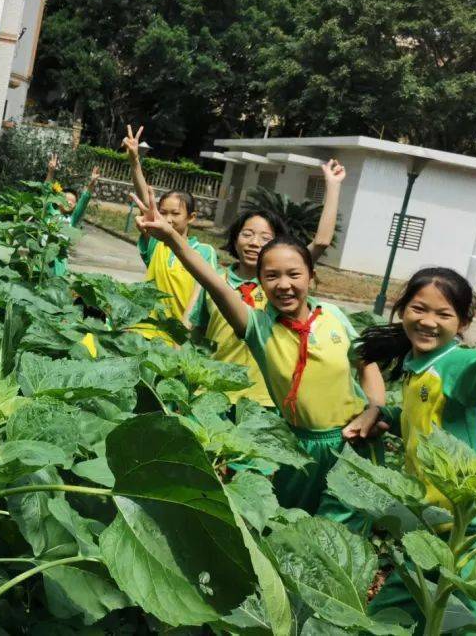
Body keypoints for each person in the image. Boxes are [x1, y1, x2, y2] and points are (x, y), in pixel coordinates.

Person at [132, 186, 385, 519]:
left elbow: (368, 363)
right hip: (294, 440)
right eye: (271, 277)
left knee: (343, 528)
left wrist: (376, 408)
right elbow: (213, 282)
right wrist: (171, 238)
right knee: (288, 520)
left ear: (312, 275)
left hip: (352, 441)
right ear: (261, 285)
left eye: (294, 274)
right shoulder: (259, 327)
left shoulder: (333, 316)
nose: (283, 284)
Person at [357, 268, 476, 631]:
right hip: (434, 528)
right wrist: (385, 416)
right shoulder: (418, 366)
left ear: (463, 322)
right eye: (419, 309)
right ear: (401, 309)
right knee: (382, 620)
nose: (428, 322)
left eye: (443, 314)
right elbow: (429, 419)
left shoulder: (456, 365)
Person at [189, 156, 347, 404]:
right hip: (212, 394)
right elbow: (195, 335)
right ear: (235, 238)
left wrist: (333, 186)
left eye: (265, 237)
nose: (254, 243)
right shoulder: (216, 283)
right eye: (247, 234)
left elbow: (321, 242)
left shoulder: (280, 287)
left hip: (267, 400)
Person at [123, 125, 218, 340]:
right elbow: (145, 202)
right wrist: (134, 161)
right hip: (142, 334)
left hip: (179, 339)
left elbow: (205, 291)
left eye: (175, 213)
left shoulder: (205, 252)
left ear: (191, 218)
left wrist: (184, 332)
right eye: (163, 212)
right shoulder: (155, 242)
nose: (167, 219)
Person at [45, 153, 99, 276]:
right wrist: (50, 172)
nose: (69, 202)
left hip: (59, 258)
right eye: (66, 199)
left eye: (73, 201)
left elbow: (84, 200)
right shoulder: (49, 211)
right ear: (58, 200)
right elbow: (46, 191)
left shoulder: (72, 219)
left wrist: (91, 184)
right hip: (43, 255)